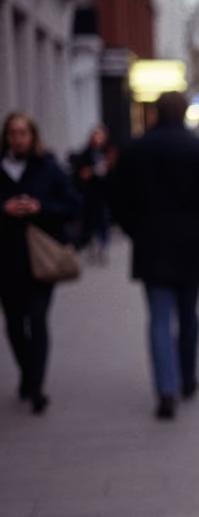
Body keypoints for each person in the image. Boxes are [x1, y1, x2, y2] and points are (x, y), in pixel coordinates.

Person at [108, 92, 199, 420]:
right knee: (189, 316)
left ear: (155, 114)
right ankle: (187, 377)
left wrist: (136, 230)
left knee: (159, 319)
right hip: (192, 246)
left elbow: (117, 199)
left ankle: (167, 388)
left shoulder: (135, 149)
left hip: (152, 246)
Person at [0, 113, 80, 414]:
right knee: (14, 326)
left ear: (33, 136)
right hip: (7, 262)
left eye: (23, 133)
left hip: (41, 260)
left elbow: (72, 205)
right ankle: (26, 371)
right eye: (13, 133)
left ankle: (36, 386)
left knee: (37, 320)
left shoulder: (48, 169)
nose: (18, 138)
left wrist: (40, 208)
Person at [70, 125, 116, 263]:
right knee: (90, 220)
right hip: (90, 194)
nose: (98, 139)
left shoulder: (108, 153)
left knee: (104, 221)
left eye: (101, 136)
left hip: (104, 193)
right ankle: (92, 243)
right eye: (96, 135)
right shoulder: (86, 154)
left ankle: (102, 246)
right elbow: (79, 173)